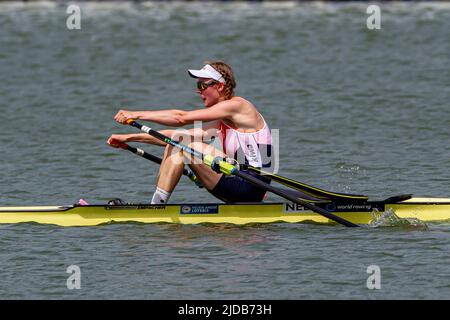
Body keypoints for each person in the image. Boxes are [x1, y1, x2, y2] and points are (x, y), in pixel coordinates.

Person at [107, 61, 273, 204]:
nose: (198, 91)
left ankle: (155, 208)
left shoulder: (238, 106)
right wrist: (129, 138)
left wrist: (135, 114)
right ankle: (156, 204)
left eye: (202, 85)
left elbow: (181, 118)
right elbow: (175, 136)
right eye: (197, 86)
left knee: (183, 146)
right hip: (236, 182)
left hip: (252, 186)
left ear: (220, 86)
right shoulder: (223, 122)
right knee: (178, 143)